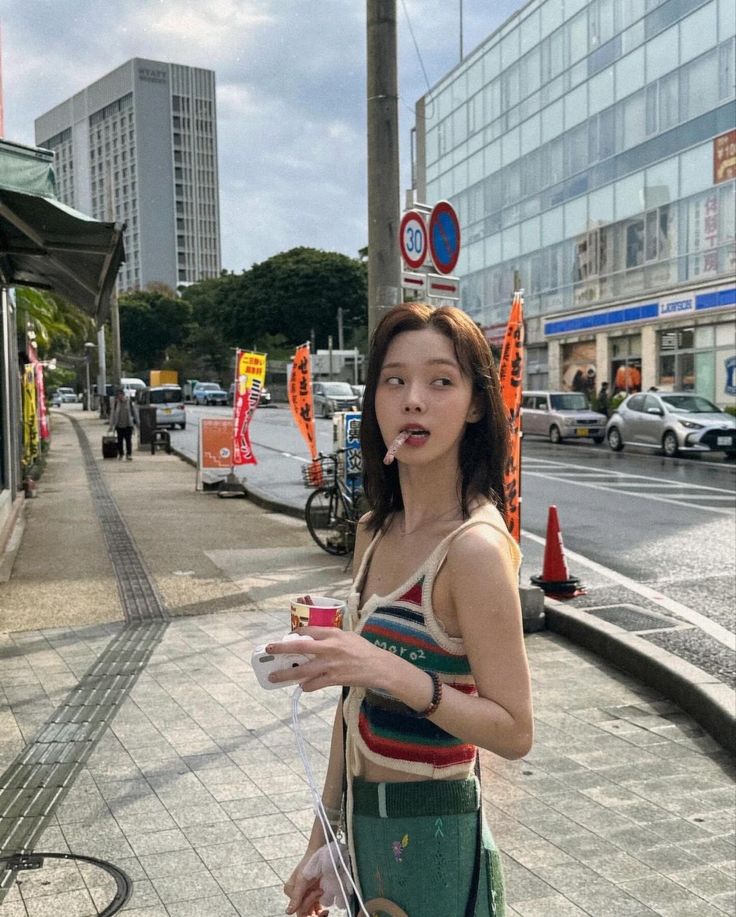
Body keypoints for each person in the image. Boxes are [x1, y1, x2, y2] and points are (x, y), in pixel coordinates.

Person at [268, 303, 533, 917]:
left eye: (441, 381)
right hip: (366, 835)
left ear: (473, 404)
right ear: (376, 400)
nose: (414, 400)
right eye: (395, 380)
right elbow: (349, 710)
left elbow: (515, 732)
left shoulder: (474, 549)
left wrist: (388, 671)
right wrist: (322, 843)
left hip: (438, 845)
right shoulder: (374, 532)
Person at [108, 388, 136, 460]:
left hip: (128, 424)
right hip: (119, 425)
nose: (119, 397)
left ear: (123, 395)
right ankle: (121, 454)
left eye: (120, 395)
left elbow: (133, 412)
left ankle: (129, 454)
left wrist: (135, 423)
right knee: (120, 441)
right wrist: (111, 425)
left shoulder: (128, 401)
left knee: (128, 440)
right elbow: (113, 414)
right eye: (118, 396)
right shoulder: (116, 403)